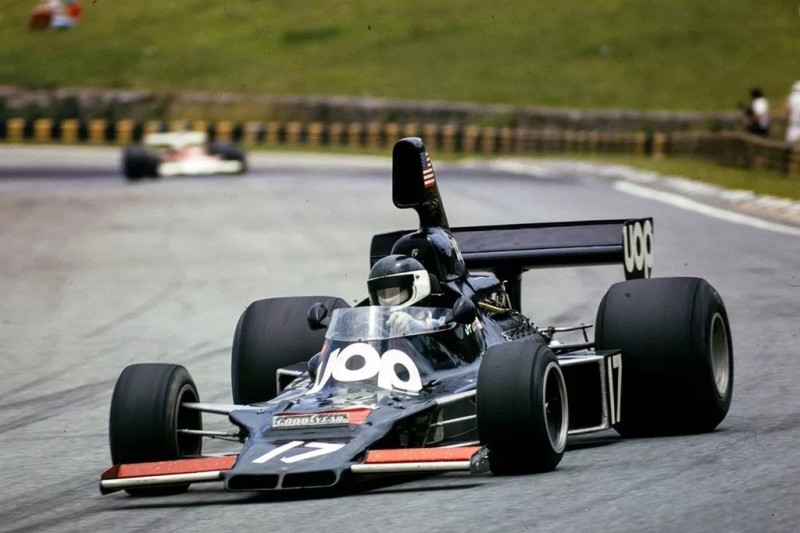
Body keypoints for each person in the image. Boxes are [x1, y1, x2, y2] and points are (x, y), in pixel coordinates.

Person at [367, 254, 443, 335]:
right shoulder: (377, 322)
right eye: (382, 293)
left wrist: (415, 326)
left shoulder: (439, 320)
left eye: (394, 291)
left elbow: (439, 326)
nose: (387, 300)